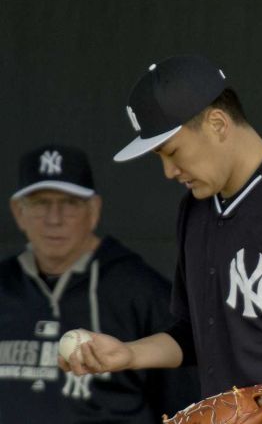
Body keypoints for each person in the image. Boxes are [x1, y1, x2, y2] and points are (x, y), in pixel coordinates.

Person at [60, 55, 262, 423]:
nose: (169, 171)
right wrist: (128, 354)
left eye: (172, 152)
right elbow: (196, 333)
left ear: (217, 123)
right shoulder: (195, 210)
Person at [0, 144, 198, 422]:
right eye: (40, 203)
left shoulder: (140, 290)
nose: (54, 219)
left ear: (93, 210)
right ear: (18, 212)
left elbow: (184, 402)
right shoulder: (3, 285)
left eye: (69, 203)